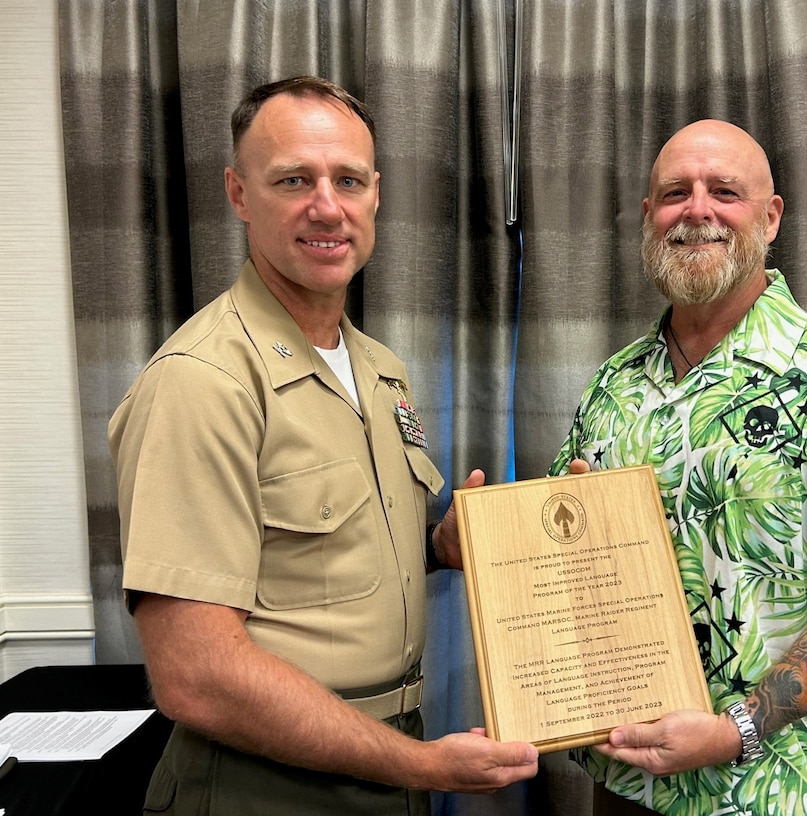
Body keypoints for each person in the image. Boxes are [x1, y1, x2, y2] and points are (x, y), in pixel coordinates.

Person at [108, 76, 538, 816]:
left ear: (376, 195)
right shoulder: (203, 381)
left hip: (386, 767)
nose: (326, 206)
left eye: (347, 179)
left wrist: (441, 543)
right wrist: (423, 765)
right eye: (293, 180)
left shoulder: (380, 371)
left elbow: (334, 557)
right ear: (240, 194)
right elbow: (196, 676)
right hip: (262, 785)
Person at [549, 119, 807, 816]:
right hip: (623, 781)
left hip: (774, 791)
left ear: (770, 219)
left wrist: (732, 730)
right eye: (675, 192)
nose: (698, 210)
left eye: (725, 192)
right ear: (649, 216)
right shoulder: (611, 386)